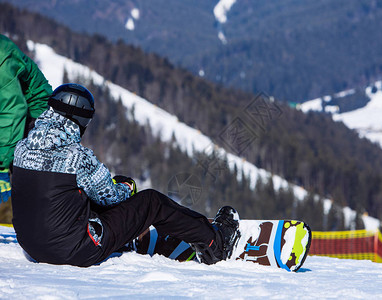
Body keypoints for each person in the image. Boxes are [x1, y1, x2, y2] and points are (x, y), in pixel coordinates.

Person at [11, 83, 240, 267]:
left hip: (32, 246)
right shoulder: (77, 157)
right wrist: (126, 186)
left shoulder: (21, 149)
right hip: (76, 250)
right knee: (151, 202)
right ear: (81, 122)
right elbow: (111, 198)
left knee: (75, 195)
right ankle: (215, 243)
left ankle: (128, 238)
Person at [0, 34, 52, 203]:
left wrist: (1, 166)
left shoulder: (1, 55)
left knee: (30, 179)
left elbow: (13, 110)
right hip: (8, 110)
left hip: (33, 113)